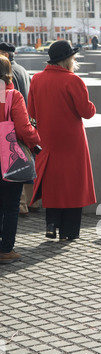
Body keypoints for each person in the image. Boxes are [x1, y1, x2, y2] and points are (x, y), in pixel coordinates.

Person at [28, 40, 96, 241]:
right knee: (73, 186)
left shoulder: (37, 79)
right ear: (67, 59)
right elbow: (87, 111)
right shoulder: (73, 80)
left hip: (47, 140)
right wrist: (92, 105)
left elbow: (31, 111)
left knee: (53, 184)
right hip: (72, 143)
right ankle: (69, 232)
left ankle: (51, 224)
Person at [0, 56, 41, 264]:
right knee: (11, 206)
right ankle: (6, 249)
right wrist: (35, 140)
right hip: (9, 159)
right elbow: (25, 129)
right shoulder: (12, 96)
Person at [0, 42, 39, 216]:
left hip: (10, 135)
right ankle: (31, 204)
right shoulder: (23, 71)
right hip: (18, 132)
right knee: (12, 201)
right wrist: (35, 139)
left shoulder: (9, 89)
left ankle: (24, 206)